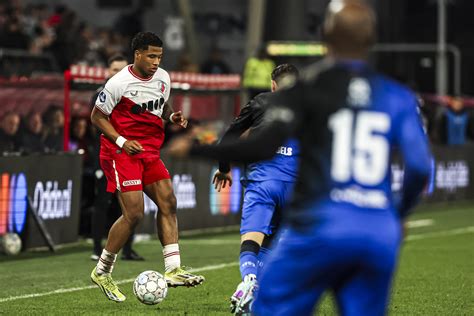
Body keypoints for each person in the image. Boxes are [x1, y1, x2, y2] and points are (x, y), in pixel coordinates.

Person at [167, 1, 432, 315]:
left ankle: (251, 283)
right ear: (373, 40)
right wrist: (397, 214)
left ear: (324, 37)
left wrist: (198, 149)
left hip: (321, 225)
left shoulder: (308, 89)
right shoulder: (397, 96)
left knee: (270, 306)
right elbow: (419, 167)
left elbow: (262, 146)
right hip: (375, 232)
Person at [90, 31, 204, 303]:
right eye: (151, 56)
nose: (156, 61)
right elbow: (97, 116)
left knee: (169, 202)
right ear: (137, 54)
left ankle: (173, 269)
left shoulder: (163, 77)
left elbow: (160, 105)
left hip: (148, 150)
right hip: (121, 152)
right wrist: (121, 140)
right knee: (134, 214)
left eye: (159, 57)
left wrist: (171, 115)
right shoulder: (118, 83)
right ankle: (102, 271)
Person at [211, 63, 299, 314]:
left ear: (273, 85)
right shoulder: (310, 106)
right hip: (295, 186)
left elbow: (229, 135)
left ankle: (249, 283)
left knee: (251, 239)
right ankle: (259, 291)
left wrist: (224, 167)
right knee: (273, 242)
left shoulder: (261, 101)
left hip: (263, 182)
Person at [89, 54, 144, 262]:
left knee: (131, 206)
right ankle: (96, 247)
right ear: (108, 72)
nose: (117, 73)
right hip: (107, 157)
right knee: (102, 202)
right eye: (114, 70)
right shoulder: (101, 95)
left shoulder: (134, 94)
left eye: (122, 70)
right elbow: (97, 126)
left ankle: (128, 249)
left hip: (128, 158)